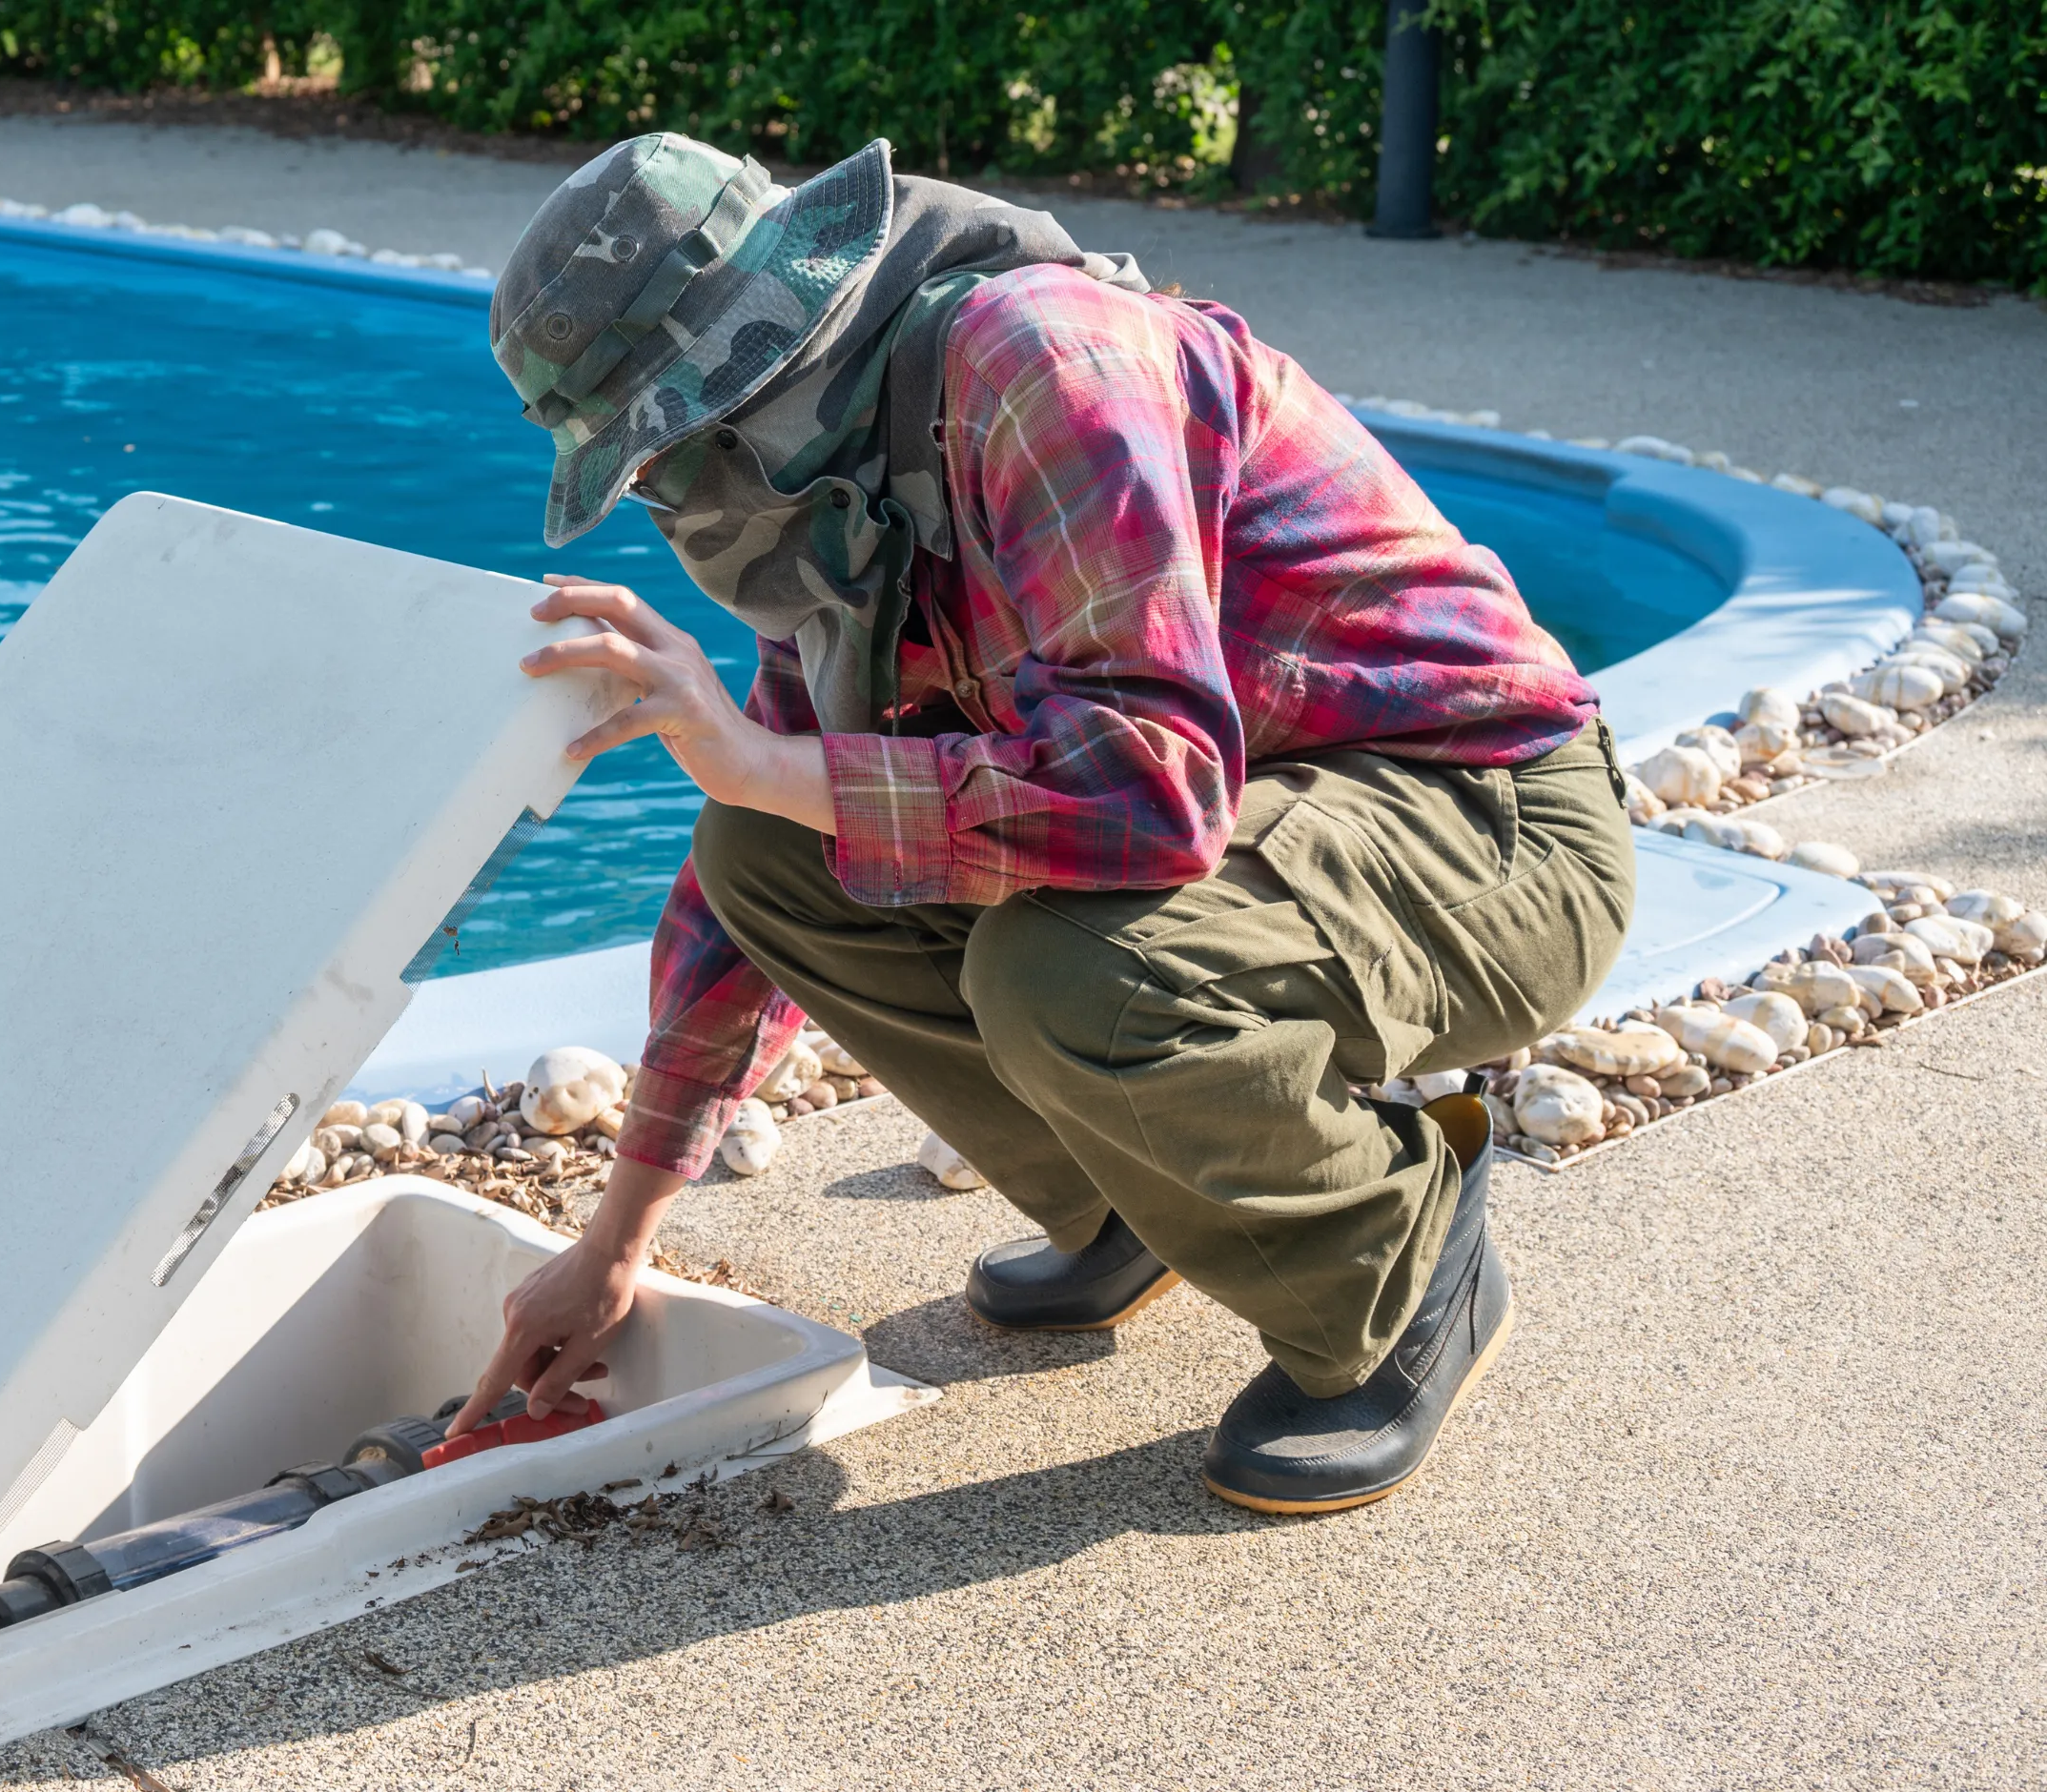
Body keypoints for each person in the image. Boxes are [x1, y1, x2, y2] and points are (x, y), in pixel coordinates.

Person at [446, 132, 1631, 1513]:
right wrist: (618, 1239)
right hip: (1280, 814)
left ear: (752, 374)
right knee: (766, 854)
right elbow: (751, 884)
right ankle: (1144, 1201)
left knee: (1081, 978)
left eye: (661, 455)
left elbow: (1153, 790)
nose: (666, 499)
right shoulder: (837, 486)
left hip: (1485, 824)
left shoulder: (1043, 364)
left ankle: (1398, 1264)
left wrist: (763, 763)